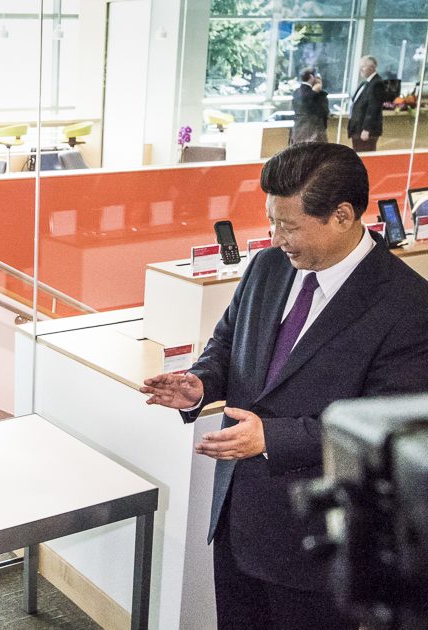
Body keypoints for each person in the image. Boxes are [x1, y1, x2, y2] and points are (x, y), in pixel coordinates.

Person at [140, 143, 428, 630]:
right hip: (237, 520)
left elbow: (383, 432)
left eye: (289, 225)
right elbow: (228, 345)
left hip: (314, 541)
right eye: (272, 221)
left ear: (341, 216)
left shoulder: (406, 305)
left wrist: (271, 438)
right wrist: (200, 385)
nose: (276, 237)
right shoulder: (267, 267)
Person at [348, 55, 386, 152]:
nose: (361, 69)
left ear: (372, 67)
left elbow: (373, 108)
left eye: (363, 66)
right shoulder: (365, 83)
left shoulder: (377, 83)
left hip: (365, 130)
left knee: (365, 157)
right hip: (357, 128)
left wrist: (366, 129)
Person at [290, 67, 328, 144]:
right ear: (311, 77)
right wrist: (319, 90)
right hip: (313, 131)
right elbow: (323, 111)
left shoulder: (296, 92)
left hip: (298, 131)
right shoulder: (313, 94)